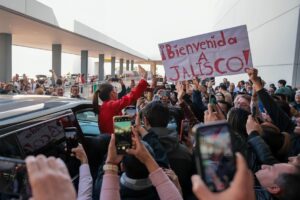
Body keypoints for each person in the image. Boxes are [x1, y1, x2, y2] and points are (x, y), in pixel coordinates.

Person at [100, 130, 183, 200]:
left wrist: (111, 161)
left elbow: (104, 169)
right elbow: (159, 151)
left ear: (122, 167)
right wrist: (177, 186)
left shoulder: (101, 188)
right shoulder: (161, 192)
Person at [93, 65, 148, 134]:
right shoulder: (110, 105)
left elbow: (119, 128)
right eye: (115, 89)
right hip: (115, 142)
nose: (117, 92)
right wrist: (143, 79)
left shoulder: (105, 106)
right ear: (112, 93)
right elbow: (130, 97)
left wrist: (126, 118)